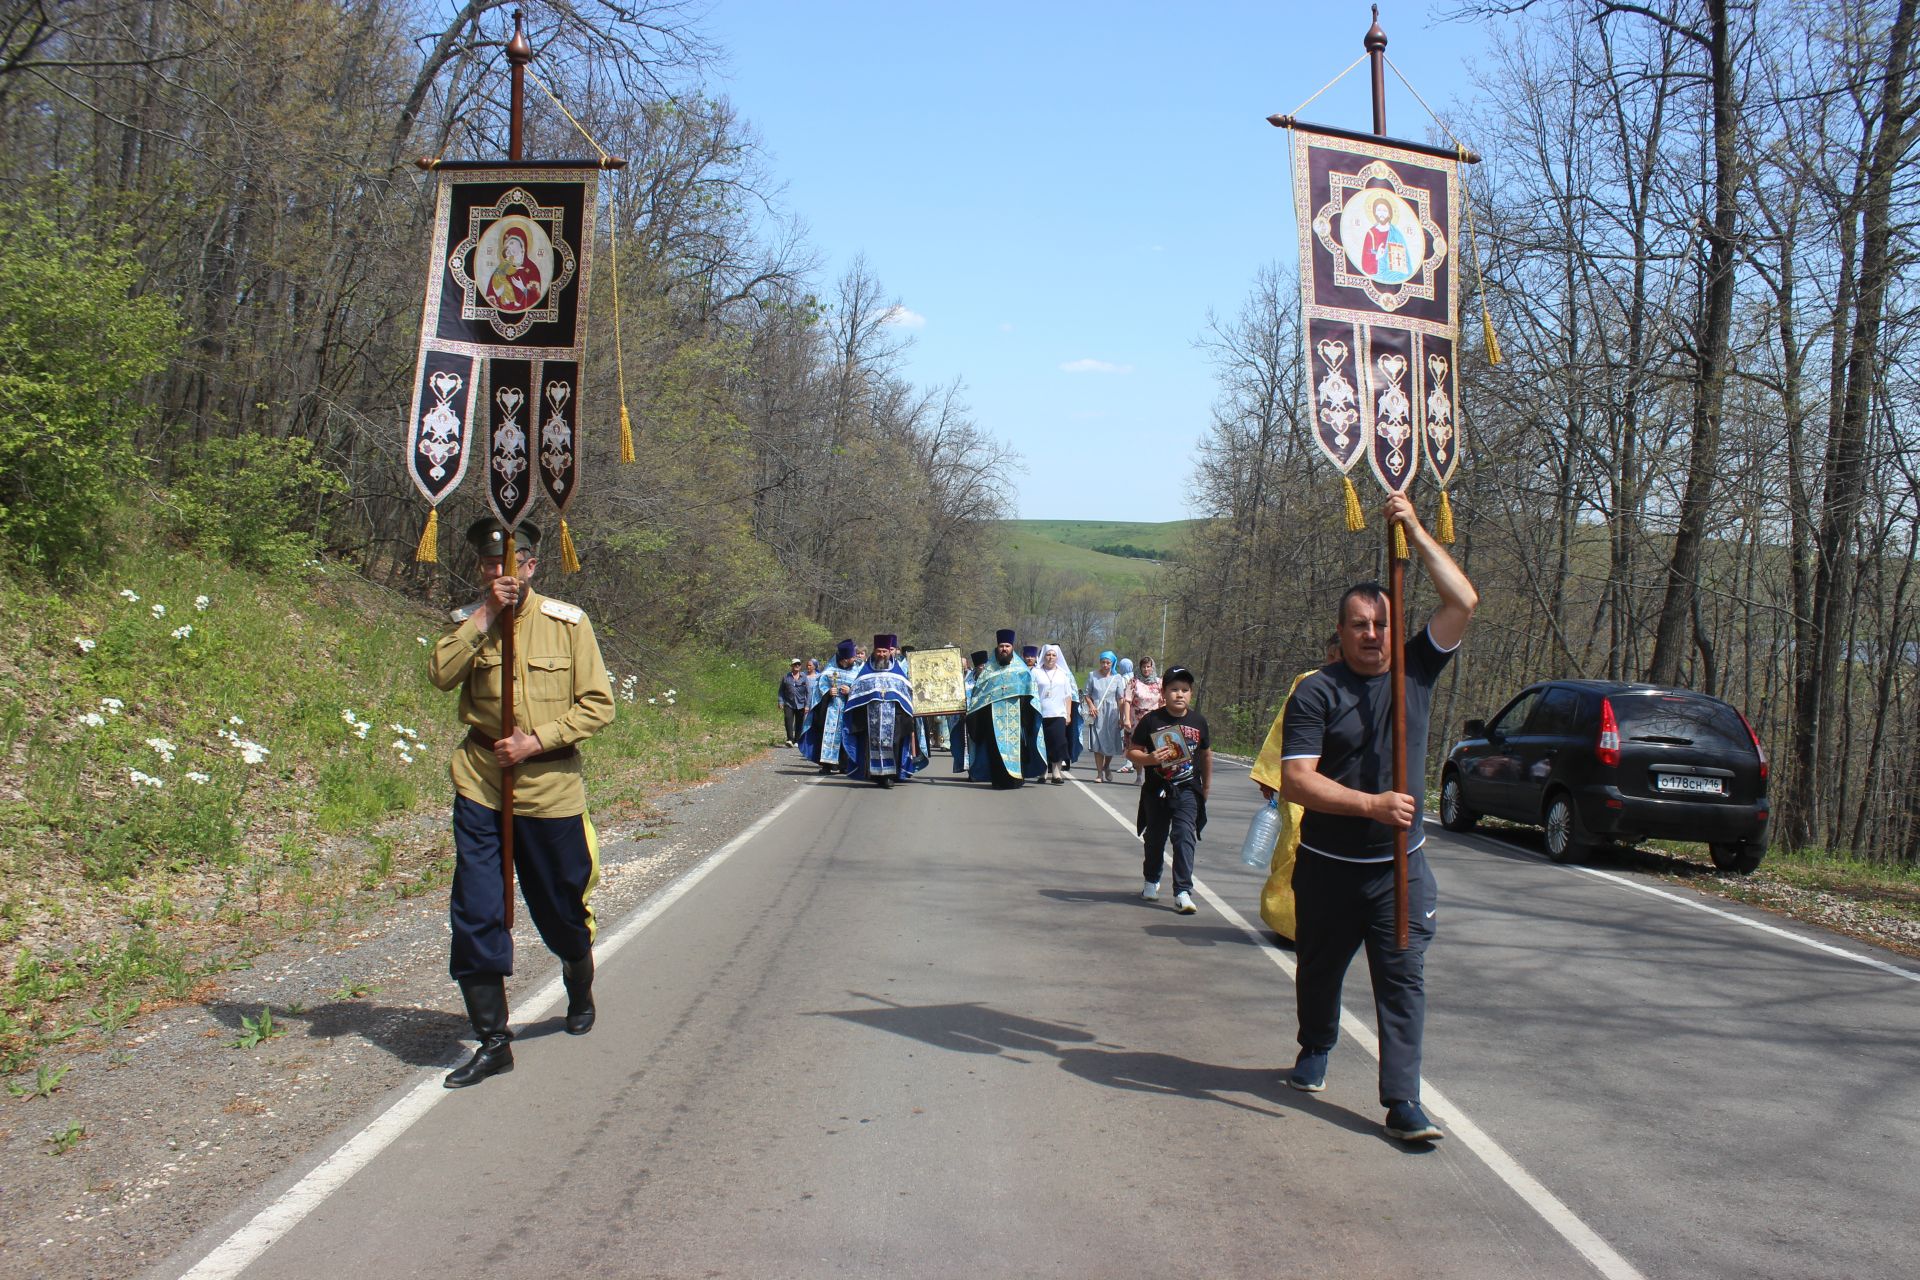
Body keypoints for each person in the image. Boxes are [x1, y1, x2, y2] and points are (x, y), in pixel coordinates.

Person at [1278, 494, 1477, 1144]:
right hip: (1330, 870)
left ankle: (1403, 1102)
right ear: (1339, 633)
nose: (1371, 635)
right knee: (1318, 974)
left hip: (1399, 871)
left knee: (1403, 981)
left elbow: (1463, 602)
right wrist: (1371, 805)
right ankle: (1316, 1044)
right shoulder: (1318, 691)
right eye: (1358, 625)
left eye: (1381, 624)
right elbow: (1296, 779)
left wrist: (1415, 531)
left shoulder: (1416, 668)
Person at [426, 518, 614, 1088]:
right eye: (488, 565)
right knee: (478, 909)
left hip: (549, 789)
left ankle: (577, 983)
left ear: (531, 565)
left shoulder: (568, 624)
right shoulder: (468, 623)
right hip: (482, 785)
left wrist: (537, 739)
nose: (499, 572)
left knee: (560, 912)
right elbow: (439, 675)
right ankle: (493, 1041)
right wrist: (485, 616)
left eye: (509, 562)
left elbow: (598, 706)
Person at [1250, 633, 1343, 946]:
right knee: (1295, 845)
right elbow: (1282, 729)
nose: (1336, 664)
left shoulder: (1370, 685)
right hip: (1300, 779)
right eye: (1333, 657)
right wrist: (1270, 774)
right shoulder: (1308, 682)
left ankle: (1328, 925)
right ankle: (1287, 922)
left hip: (1343, 785)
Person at [1125, 666, 1211, 915]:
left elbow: (1206, 755)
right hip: (1157, 789)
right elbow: (1132, 751)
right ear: (1163, 693)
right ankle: (1151, 881)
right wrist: (1151, 758)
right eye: (1174, 689)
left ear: (1191, 694)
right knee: (1155, 837)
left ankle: (1182, 891)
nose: (1180, 694)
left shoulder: (1198, 721)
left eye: (1185, 690)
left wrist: (1206, 786)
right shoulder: (1152, 720)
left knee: (1184, 835)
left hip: (1187, 789)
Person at [967, 629, 1046, 788]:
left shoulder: (1021, 670)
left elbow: (1030, 694)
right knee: (995, 750)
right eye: (1001, 646)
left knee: (1017, 750)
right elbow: (977, 696)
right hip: (992, 720)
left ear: (1012, 648)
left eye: (1007, 646)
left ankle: (1016, 780)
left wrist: (1027, 717)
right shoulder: (988, 672)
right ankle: (998, 780)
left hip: (1017, 718)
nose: (1004, 649)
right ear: (997, 647)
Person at [843, 634, 917, 787]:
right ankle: (875, 774)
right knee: (871, 744)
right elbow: (857, 689)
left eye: (884, 651)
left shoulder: (897, 672)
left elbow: (906, 691)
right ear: (874, 651)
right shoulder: (866, 670)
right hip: (871, 716)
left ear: (890, 652)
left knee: (894, 744)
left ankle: (890, 775)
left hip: (894, 716)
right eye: (879, 651)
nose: (882, 654)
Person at [798, 640, 859, 774]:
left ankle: (844, 764)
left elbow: (861, 689)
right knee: (827, 735)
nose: (855, 659)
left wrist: (850, 691)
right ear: (844, 659)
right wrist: (828, 693)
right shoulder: (829, 671)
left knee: (845, 735)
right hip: (830, 709)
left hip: (848, 709)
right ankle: (826, 765)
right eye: (852, 657)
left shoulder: (857, 671)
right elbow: (819, 689)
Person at [1032, 644, 1081, 784]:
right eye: (1048, 655)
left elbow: (1068, 695)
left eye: (1053, 655)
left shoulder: (1062, 674)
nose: (1050, 657)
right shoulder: (1036, 672)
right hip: (1040, 713)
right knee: (1042, 743)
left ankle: (1056, 773)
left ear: (1057, 657)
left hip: (1058, 713)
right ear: (1043, 656)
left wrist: (1068, 713)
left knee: (1059, 743)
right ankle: (1042, 773)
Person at [1082, 650, 1128, 782]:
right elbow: (1087, 694)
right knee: (1097, 744)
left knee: (1110, 743)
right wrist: (1091, 706)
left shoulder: (1117, 678)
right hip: (1096, 713)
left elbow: (1120, 699)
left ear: (1113, 663)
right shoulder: (1093, 675)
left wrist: (1121, 717)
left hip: (1112, 713)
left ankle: (1106, 766)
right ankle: (1099, 774)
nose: (1105, 665)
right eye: (1103, 662)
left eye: (1108, 662)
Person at [485, 225, 544, 312]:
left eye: (511, 243)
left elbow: (536, 299)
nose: (508, 246)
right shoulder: (502, 268)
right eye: (506, 244)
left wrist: (522, 288)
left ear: (522, 246)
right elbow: (491, 298)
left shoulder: (532, 269)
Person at [952, 649, 988, 772]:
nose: (983, 668)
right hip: (972, 718)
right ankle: (973, 769)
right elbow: (963, 697)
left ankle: (987, 770)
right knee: (972, 745)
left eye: (985, 666)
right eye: (981, 666)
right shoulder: (968, 682)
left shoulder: (991, 680)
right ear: (977, 667)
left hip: (987, 716)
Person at [777, 659, 810, 746]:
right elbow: (781, 691)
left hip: (801, 704)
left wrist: (807, 705)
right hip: (789, 703)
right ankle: (790, 739)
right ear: (791, 666)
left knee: (799, 722)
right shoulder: (786, 677)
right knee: (788, 720)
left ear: (800, 666)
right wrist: (780, 701)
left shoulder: (804, 677)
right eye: (795, 664)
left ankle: (797, 740)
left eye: (798, 664)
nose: (797, 666)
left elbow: (808, 692)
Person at [1113, 658, 1137, 773]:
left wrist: (1121, 716)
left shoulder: (1123, 679)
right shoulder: (1136, 678)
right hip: (1136, 712)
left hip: (1127, 712)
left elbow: (1121, 698)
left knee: (1127, 738)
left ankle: (1129, 763)